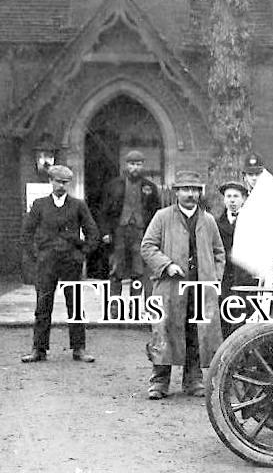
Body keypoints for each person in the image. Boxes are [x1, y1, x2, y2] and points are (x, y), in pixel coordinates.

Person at [140, 170, 226, 399]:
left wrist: (214, 278)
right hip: (170, 287)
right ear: (176, 192)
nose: (190, 194)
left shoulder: (208, 221)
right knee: (164, 331)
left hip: (200, 288)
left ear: (200, 193)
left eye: (194, 190)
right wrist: (166, 265)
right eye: (185, 189)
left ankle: (194, 380)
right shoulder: (162, 217)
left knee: (196, 333)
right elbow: (148, 246)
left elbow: (219, 252)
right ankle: (159, 381)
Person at [20, 165, 100, 363]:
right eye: (58, 181)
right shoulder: (39, 205)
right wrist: (36, 255)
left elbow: (93, 233)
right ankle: (39, 349)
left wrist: (81, 254)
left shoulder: (78, 205)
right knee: (43, 305)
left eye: (65, 183)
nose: (61, 186)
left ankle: (79, 348)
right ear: (51, 181)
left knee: (75, 305)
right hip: (46, 263)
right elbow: (26, 233)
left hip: (70, 263)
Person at [98, 150, 161, 297]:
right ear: (127, 165)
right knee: (116, 269)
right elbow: (103, 212)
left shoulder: (150, 187)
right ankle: (115, 306)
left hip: (140, 233)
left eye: (138, 164)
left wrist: (154, 234)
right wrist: (105, 232)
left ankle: (135, 306)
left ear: (142, 166)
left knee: (138, 270)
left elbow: (156, 213)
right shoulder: (114, 185)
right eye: (132, 164)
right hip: (119, 231)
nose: (135, 168)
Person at [215, 180, 255, 338]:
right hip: (226, 279)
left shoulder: (252, 222)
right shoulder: (217, 224)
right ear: (224, 199)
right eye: (228, 196)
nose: (232, 200)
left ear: (244, 199)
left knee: (245, 319)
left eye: (236, 196)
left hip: (246, 278)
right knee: (226, 316)